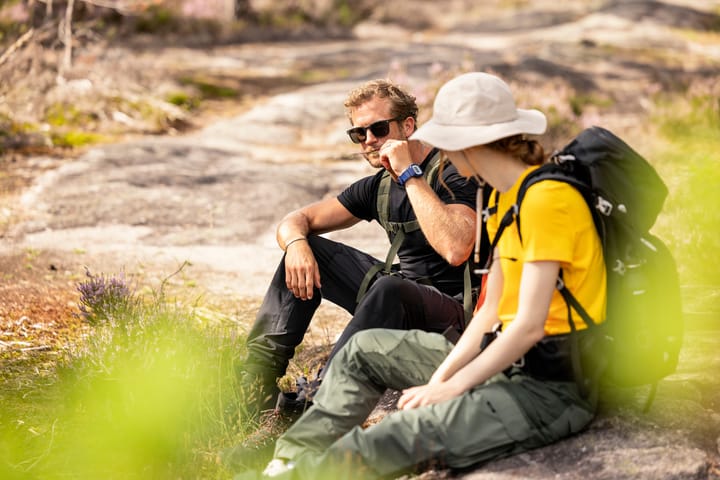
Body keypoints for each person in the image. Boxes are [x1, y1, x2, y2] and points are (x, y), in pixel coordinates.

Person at [245, 71, 607, 479]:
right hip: (499, 360)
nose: (442, 152)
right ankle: (285, 459)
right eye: (358, 133)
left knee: (396, 432)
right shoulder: (507, 198)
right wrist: (441, 379)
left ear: (468, 143)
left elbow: (527, 326)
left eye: (448, 142)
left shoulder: (547, 201)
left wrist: (450, 389)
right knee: (362, 351)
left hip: (545, 388)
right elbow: (491, 314)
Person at [242, 79, 481, 415]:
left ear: (408, 126)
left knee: (390, 287)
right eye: (359, 134)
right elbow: (295, 220)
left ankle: (316, 401)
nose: (370, 141)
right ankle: (253, 388)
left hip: (453, 318)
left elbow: (457, 248)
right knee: (311, 250)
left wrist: (409, 173)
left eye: (379, 129)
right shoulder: (378, 186)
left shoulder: (451, 173)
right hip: (396, 301)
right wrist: (296, 244)